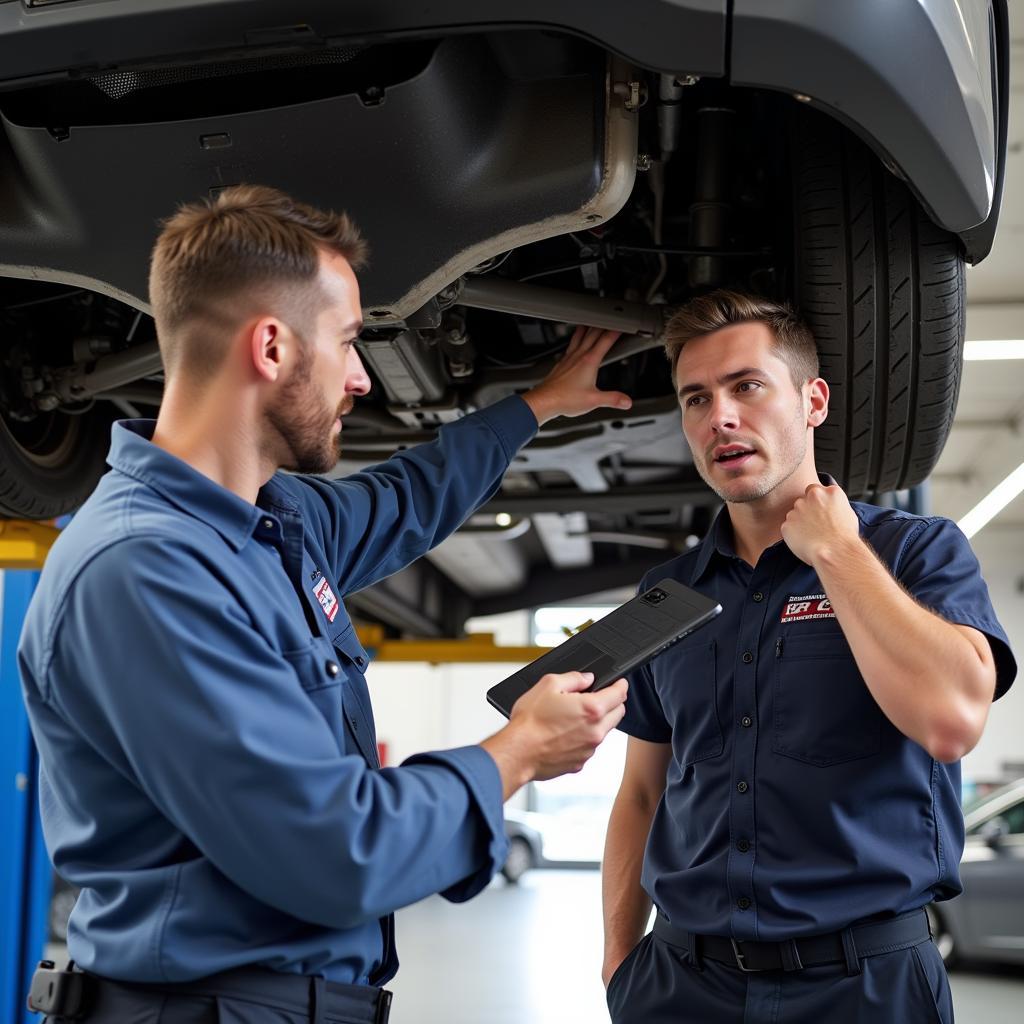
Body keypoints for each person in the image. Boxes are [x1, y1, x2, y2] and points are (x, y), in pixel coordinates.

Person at [17, 184, 632, 1024]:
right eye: (347, 342)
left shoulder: (275, 520)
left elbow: (406, 498)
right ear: (270, 346)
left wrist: (535, 406)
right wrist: (519, 753)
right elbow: (338, 852)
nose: (362, 378)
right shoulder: (145, 570)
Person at [601, 290, 1016, 1024]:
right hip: (681, 985)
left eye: (747, 386)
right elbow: (642, 793)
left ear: (813, 400)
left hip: (864, 990)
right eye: (696, 399)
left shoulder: (914, 553)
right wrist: (618, 964)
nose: (719, 417)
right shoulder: (667, 594)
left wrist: (834, 549)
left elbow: (951, 721)